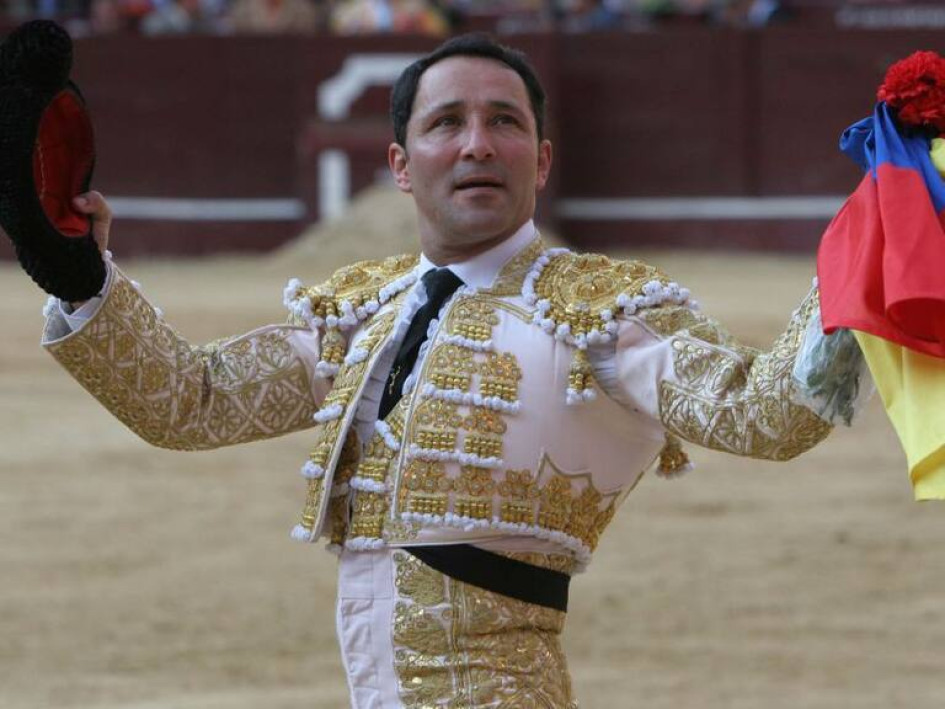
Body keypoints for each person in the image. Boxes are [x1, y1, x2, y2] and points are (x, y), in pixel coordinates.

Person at [34, 32, 845, 708]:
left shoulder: (601, 311)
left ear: (543, 157)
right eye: (445, 122)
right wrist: (80, 277)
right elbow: (194, 401)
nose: (476, 143)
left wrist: (864, 255)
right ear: (399, 162)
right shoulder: (364, 307)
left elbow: (761, 412)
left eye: (503, 121)